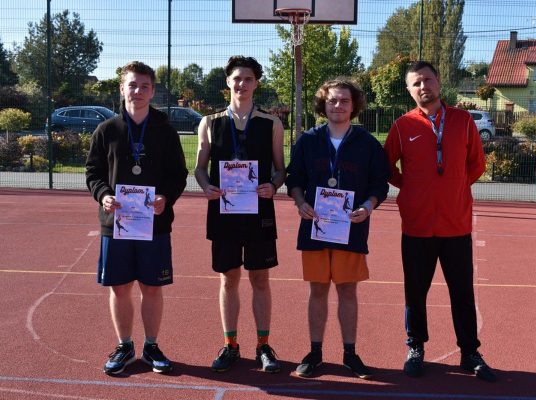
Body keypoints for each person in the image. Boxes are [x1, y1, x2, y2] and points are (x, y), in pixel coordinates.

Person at [383, 61, 495, 382]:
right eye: (416, 83)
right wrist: (411, 188)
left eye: (428, 80)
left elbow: (477, 164)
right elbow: (387, 166)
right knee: (415, 293)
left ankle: (469, 352)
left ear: (439, 81)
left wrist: (453, 188)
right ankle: (415, 347)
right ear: (409, 90)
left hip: (455, 225)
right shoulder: (402, 126)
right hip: (416, 226)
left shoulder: (462, 121)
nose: (424, 87)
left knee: (462, 293)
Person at [85, 61, 188, 376]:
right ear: (122, 88)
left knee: (152, 287)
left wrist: (165, 197)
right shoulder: (106, 130)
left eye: (144, 86)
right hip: (115, 223)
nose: (138, 91)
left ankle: (151, 345)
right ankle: (125, 345)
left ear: (153, 91)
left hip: (154, 222)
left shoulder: (165, 131)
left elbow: (178, 174)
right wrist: (103, 194)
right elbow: (93, 172)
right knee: (119, 287)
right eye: (132, 85)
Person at [286, 78, 389, 379]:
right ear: (324, 103)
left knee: (347, 290)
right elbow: (295, 180)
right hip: (315, 226)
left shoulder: (367, 143)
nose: (338, 105)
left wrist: (367, 207)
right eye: (332, 100)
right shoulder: (308, 140)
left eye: (344, 100)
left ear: (354, 105)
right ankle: (315, 352)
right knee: (317, 289)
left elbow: (379, 184)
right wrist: (300, 203)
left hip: (351, 228)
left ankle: (350, 354)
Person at [194, 56, 285, 373]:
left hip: (259, 211)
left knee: (260, 279)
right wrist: (206, 186)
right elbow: (199, 169)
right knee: (228, 278)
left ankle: (263, 345)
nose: (242, 84)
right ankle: (230, 344)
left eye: (248, 79)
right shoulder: (210, 122)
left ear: (256, 83)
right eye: (236, 78)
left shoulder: (271, 123)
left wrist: (273, 185)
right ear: (227, 82)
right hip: (224, 212)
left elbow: (280, 169)